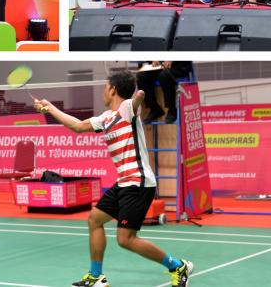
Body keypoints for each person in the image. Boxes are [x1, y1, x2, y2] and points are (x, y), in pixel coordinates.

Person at [33, 71, 193, 287]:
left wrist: (139, 98)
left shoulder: (127, 109)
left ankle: (177, 266)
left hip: (138, 182)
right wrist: (49, 108)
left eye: (104, 87)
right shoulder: (106, 118)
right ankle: (96, 276)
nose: (102, 92)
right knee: (94, 219)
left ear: (112, 90)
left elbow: (137, 101)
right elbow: (78, 127)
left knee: (126, 239)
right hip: (124, 182)